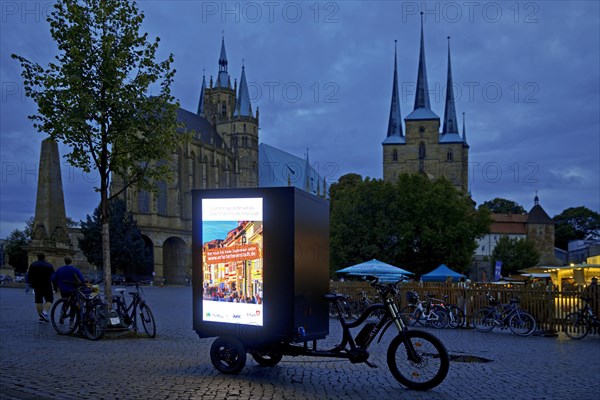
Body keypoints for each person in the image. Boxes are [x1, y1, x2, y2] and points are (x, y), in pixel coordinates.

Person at [27, 252, 55, 322]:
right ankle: (44, 313)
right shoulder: (49, 265)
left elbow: (29, 275)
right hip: (47, 284)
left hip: (37, 285)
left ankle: (41, 316)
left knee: (38, 301)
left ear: (37, 256)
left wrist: (31, 284)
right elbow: (53, 277)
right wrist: (55, 286)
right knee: (49, 300)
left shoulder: (33, 264)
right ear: (45, 257)